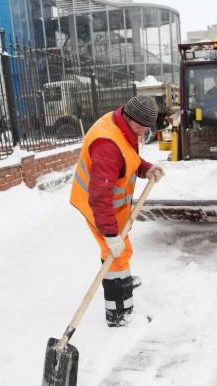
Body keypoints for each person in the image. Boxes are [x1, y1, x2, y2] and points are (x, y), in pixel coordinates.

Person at [70, 96, 165, 327]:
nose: (143, 133)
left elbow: (128, 159)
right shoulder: (107, 145)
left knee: (122, 250)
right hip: (99, 209)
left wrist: (146, 168)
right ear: (129, 118)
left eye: (146, 128)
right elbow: (100, 196)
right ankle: (118, 311)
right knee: (115, 255)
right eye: (141, 127)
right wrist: (110, 234)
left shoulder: (121, 126)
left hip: (114, 207)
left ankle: (123, 280)